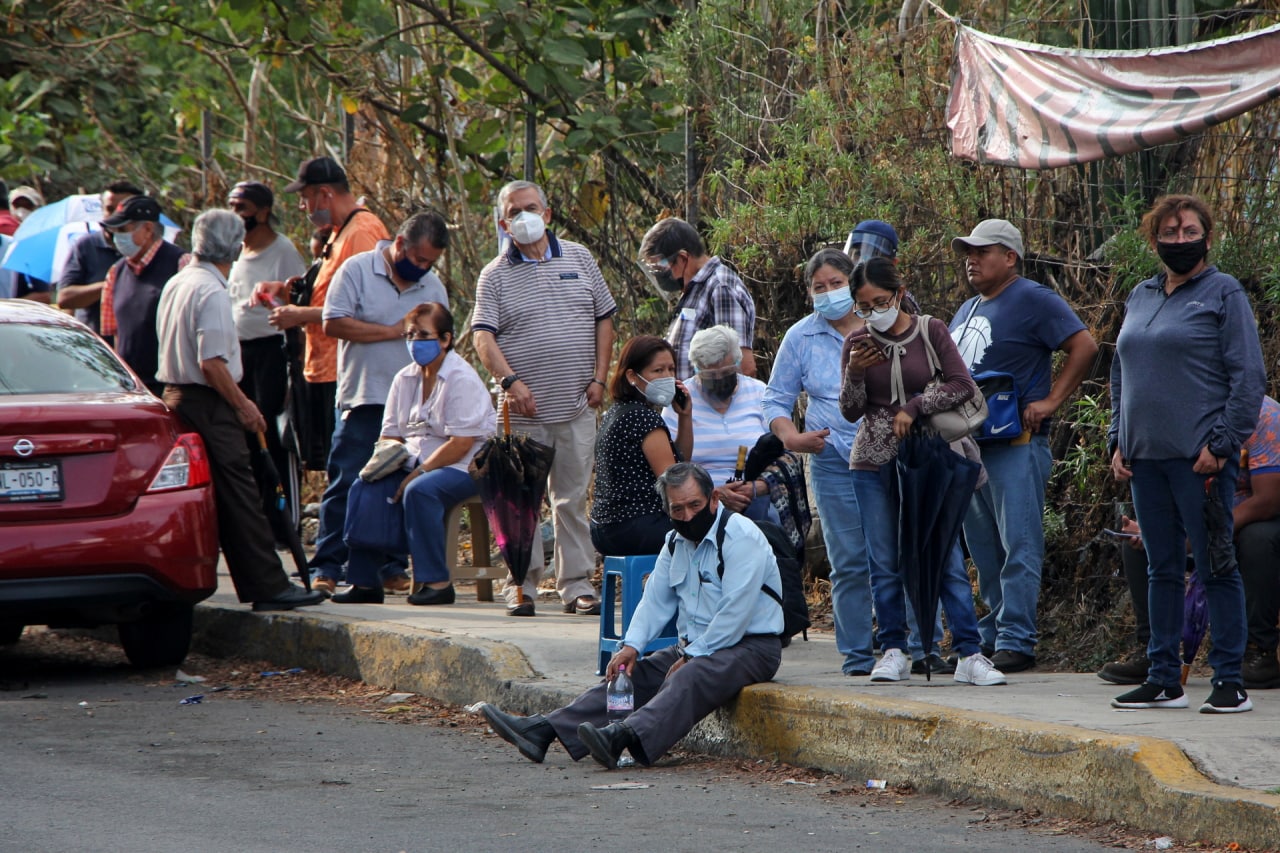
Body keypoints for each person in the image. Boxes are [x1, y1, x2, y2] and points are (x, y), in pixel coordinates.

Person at [477, 462, 783, 769]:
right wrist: (631, 646)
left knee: (691, 675)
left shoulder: (740, 537)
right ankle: (544, 729)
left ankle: (621, 736)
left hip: (751, 646)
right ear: (666, 509)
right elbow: (654, 601)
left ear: (714, 499)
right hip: (696, 645)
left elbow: (735, 613)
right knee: (633, 673)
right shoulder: (675, 543)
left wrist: (692, 656)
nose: (688, 516)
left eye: (695, 505)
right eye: (678, 510)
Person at [1108, 194, 1265, 713]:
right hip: (1144, 460)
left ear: (1207, 237)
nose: (1180, 241)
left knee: (1218, 567)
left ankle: (1228, 681)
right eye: (1169, 233)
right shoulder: (1141, 295)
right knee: (1162, 568)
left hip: (1198, 462)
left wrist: (1221, 446)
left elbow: (1248, 379)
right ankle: (1163, 677)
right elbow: (1119, 372)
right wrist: (1118, 439)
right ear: (1154, 240)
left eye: (1189, 231)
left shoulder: (1224, 294)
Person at [839, 257, 1006, 687]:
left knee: (944, 553)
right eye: (863, 306)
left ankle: (969, 651)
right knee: (883, 558)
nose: (873, 312)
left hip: (931, 455)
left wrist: (914, 407)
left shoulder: (930, 331)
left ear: (898, 292)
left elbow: (962, 384)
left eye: (880, 301)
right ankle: (894, 647)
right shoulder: (856, 341)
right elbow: (850, 410)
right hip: (873, 459)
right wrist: (855, 372)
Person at [154, 209, 325, 612]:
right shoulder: (211, 290)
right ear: (233, 246)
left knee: (211, 495)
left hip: (176, 395)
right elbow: (212, 362)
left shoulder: (178, 281)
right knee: (241, 494)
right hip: (207, 400)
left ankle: (256, 581)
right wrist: (244, 405)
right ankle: (267, 585)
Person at [948, 219, 1097, 673]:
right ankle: (992, 633)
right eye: (967, 253)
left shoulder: (1033, 297)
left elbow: (1084, 346)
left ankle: (1017, 638)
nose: (971, 260)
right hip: (971, 447)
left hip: (1016, 442)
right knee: (985, 548)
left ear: (1010, 257)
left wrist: (1050, 400)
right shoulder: (967, 309)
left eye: (983, 251)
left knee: (1019, 543)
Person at [470, 180, 616, 617]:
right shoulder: (494, 274)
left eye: (531, 208)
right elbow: (482, 335)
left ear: (548, 213)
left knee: (571, 499)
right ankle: (522, 585)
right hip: (522, 413)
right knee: (520, 501)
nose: (524, 217)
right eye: (514, 212)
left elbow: (604, 318)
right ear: (503, 223)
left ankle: (576, 585)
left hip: (575, 404)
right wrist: (510, 382)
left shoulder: (580, 258)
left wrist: (599, 377)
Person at [306, 211, 451, 597]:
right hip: (364, 397)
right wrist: (392, 332)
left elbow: (440, 343)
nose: (422, 268)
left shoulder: (432, 285)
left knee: (399, 485)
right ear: (399, 244)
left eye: (429, 263)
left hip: (413, 407)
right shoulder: (357, 269)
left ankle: (389, 566)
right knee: (349, 482)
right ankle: (328, 565)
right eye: (418, 259)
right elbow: (333, 323)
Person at [1099, 399, 1280, 689]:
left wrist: (1196, 538)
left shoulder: (1264, 416)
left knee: (1258, 541)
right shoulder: (1175, 413)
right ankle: (1155, 650)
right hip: (1195, 519)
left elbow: (1268, 500)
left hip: (1248, 523)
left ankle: (1260, 652)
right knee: (1144, 545)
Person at [764, 248, 881, 676]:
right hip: (831, 459)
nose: (829, 293)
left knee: (895, 552)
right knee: (848, 558)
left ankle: (903, 645)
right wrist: (792, 436)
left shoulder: (881, 324)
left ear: (853, 283)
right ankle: (857, 654)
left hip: (887, 457)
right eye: (819, 287)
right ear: (809, 292)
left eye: (836, 284)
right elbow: (775, 398)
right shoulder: (800, 337)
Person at [335, 303, 495, 606]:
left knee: (421, 491)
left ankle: (437, 582)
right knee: (364, 486)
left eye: (423, 335)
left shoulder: (461, 378)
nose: (414, 343)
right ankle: (365, 582)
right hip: (411, 460)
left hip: (465, 466)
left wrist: (418, 473)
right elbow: (391, 432)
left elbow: (461, 442)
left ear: (445, 339)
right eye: (409, 335)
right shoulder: (404, 378)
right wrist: (383, 464)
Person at [269, 156, 390, 492]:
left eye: (305, 197)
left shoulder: (362, 233)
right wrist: (287, 291)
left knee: (351, 469)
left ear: (325, 194)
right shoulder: (339, 234)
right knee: (338, 468)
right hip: (327, 367)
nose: (302, 205)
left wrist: (299, 315)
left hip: (350, 372)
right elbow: (331, 294)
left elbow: (366, 309)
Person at [225, 180, 307, 514]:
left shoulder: (282, 250)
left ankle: (285, 514)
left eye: (241, 208)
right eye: (231, 207)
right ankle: (256, 513)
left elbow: (301, 296)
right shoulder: (234, 251)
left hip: (273, 349)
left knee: (272, 433)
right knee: (245, 436)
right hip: (238, 351)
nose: (235, 215)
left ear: (262, 211)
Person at [590, 336, 692, 556]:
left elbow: (680, 460)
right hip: (637, 526)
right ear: (632, 376)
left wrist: (685, 417)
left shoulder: (616, 412)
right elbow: (674, 480)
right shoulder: (642, 418)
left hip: (605, 528)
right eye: (658, 371)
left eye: (671, 369)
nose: (667, 377)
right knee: (713, 531)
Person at [662, 325, 774, 522]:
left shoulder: (759, 392)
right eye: (711, 376)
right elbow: (671, 465)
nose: (720, 380)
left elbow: (784, 453)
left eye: (727, 372)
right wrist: (712, 494)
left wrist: (759, 487)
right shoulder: (679, 401)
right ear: (697, 369)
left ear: (738, 362)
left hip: (754, 497)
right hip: (699, 502)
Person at [638, 217, 757, 380]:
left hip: (709, 405)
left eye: (661, 269)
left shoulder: (720, 287)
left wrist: (711, 403)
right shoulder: (694, 289)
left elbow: (741, 367)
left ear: (682, 258)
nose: (661, 277)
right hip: (689, 404)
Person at [100, 196, 191, 395]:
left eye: (123, 230)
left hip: (170, 388)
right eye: (115, 231)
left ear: (148, 229)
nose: (117, 237)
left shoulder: (180, 264)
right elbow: (113, 335)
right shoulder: (116, 272)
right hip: (130, 389)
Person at [57, 180, 143, 335]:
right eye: (110, 209)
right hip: (95, 349)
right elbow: (65, 298)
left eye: (122, 209)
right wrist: (110, 285)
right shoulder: (85, 246)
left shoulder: (148, 249)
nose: (116, 215)